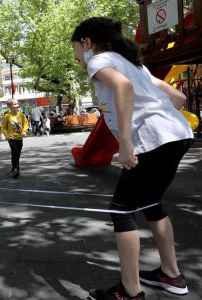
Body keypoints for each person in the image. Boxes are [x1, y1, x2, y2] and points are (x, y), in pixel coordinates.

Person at [71, 17, 193, 300]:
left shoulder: (98, 61)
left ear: (87, 42)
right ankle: (171, 275)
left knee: (121, 209)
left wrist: (125, 141)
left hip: (153, 140)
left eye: (75, 48)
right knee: (151, 203)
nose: (76, 56)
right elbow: (178, 98)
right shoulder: (135, 65)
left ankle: (129, 291)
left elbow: (123, 88)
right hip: (177, 134)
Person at [1, 99, 28, 178]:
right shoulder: (7, 116)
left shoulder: (21, 115)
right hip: (11, 138)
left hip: (19, 138)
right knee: (15, 152)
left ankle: (15, 168)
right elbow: (3, 127)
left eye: (17, 104)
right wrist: (6, 135)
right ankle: (15, 169)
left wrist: (24, 131)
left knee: (17, 154)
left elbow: (26, 124)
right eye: (15, 104)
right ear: (9, 106)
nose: (17, 105)